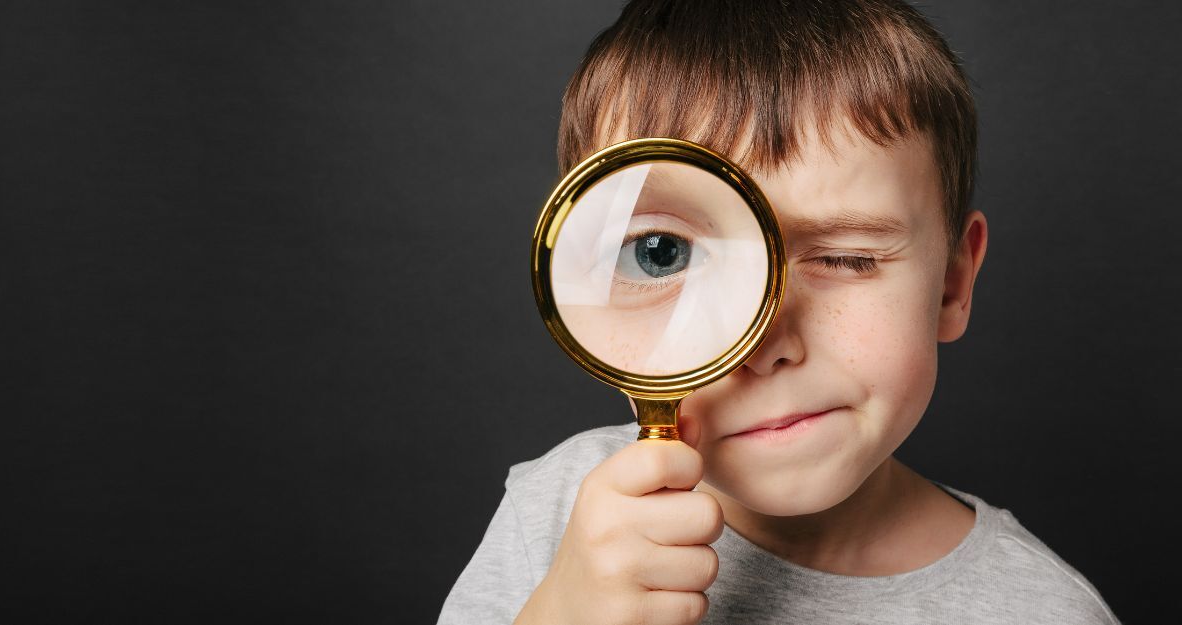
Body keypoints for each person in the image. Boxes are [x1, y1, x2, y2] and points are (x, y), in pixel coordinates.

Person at [438, 1, 1119, 623]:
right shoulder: (557, 517)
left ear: (952, 281)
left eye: (848, 257)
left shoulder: (1045, 611)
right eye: (661, 253)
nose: (764, 342)